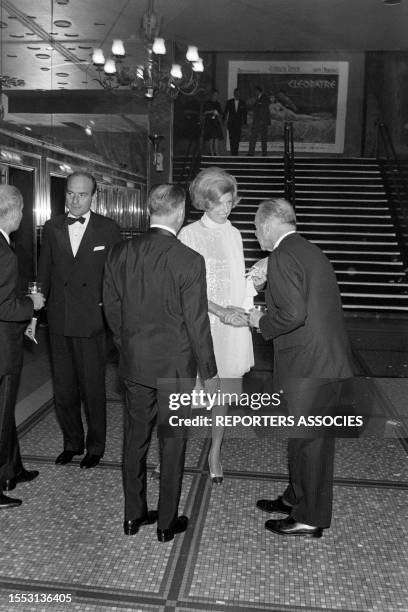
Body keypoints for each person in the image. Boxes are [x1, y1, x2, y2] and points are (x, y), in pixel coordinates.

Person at [103, 184, 218, 542]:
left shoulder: (120, 252)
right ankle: (167, 523)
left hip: (135, 365)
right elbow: (197, 324)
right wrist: (210, 373)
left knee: (135, 440)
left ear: (149, 209)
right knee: (172, 443)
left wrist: (128, 347)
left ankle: (132, 516)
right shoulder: (189, 260)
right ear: (181, 212)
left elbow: (113, 309)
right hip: (176, 370)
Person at [249, 198, 353, 538]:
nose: (256, 236)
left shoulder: (282, 255)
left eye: (255, 229)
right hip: (322, 361)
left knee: (311, 444)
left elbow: (294, 314)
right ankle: (295, 497)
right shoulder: (308, 250)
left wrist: (260, 319)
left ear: (266, 226)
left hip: (310, 366)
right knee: (301, 438)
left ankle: (309, 517)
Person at [36, 171, 121, 469]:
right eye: (70, 193)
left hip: (92, 321)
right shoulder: (52, 226)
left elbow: (115, 278)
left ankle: (95, 446)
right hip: (59, 320)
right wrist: (36, 314)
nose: (74, 199)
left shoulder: (108, 229)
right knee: (64, 387)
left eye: (82, 194)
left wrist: (110, 314)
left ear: (93, 196)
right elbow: (43, 272)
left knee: (93, 387)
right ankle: (72, 442)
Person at [179, 167, 255, 483]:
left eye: (230, 202)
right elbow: (187, 289)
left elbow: (238, 282)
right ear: (206, 202)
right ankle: (173, 453)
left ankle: (215, 452)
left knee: (222, 394)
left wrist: (253, 288)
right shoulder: (189, 235)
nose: (227, 208)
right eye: (221, 202)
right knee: (188, 394)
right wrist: (220, 311)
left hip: (229, 327)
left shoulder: (234, 233)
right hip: (201, 324)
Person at [0, 185, 44, 509]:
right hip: (2, 349)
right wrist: (31, 303)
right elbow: (5, 307)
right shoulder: (5, 254)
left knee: (5, 414)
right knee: (1, 415)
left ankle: (11, 469)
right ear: (14, 212)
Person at [248, 85, 270, 156]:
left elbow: (264, 110)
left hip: (262, 121)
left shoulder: (265, 97)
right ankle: (251, 153)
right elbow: (254, 107)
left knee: (262, 138)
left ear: (258, 91)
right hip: (257, 121)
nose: (254, 92)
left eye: (255, 91)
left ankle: (264, 154)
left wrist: (262, 120)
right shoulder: (257, 98)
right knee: (253, 137)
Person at [223, 88, 247, 155]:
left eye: (238, 93)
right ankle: (232, 153)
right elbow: (225, 111)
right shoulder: (229, 102)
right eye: (236, 93)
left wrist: (245, 123)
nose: (237, 94)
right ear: (234, 94)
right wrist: (223, 120)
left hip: (239, 123)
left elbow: (245, 113)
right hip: (231, 123)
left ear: (240, 94)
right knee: (232, 139)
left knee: (237, 138)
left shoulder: (243, 102)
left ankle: (236, 153)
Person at [202, 89, 224, 156]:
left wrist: (218, 114)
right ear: (212, 95)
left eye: (217, 95)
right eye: (215, 95)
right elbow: (204, 112)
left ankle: (217, 152)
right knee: (211, 138)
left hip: (216, 122)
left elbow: (220, 113)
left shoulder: (217, 103)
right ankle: (212, 153)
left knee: (216, 137)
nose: (216, 96)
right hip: (209, 122)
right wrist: (212, 111)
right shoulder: (207, 103)